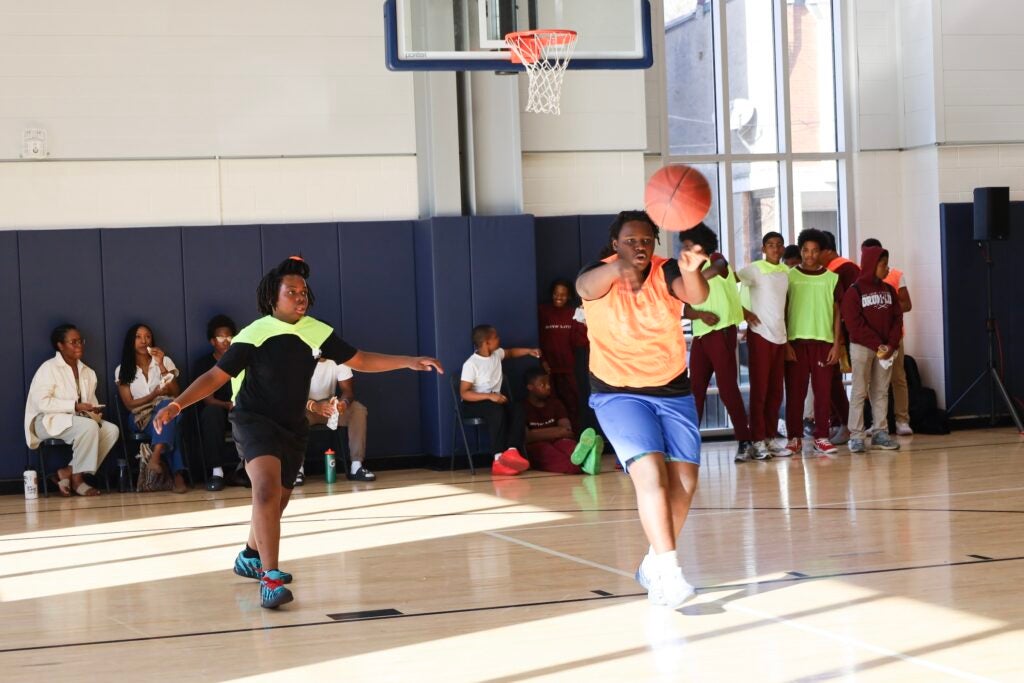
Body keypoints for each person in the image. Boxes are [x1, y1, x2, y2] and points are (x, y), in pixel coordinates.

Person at [153, 256, 442, 609]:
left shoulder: (316, 331)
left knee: (279, 500)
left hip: (292, 424)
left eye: (303, 291)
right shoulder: (254, 334)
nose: (300, 297)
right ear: (273, 298)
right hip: (253, 419)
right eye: (291, 291)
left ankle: (249, 556)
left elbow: (361, 359)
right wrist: (177, 404)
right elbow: (215, 377)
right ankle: (270, 578)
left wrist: (408, 361)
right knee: (265, 490)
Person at [576, 210, 710, 608]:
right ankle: (670, 573)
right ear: (615, 243)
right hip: (618, 392)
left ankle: (652, 563)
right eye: (630, 241)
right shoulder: (598, 272)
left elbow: (696, 296)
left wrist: (692, 270)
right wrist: (617, 268)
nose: (639, 246)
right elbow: (584, 287)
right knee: (651, 473)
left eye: (646, 241)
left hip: (671, 389)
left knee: (684, 483)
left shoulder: (666, 270)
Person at [680, 223, 756, 462]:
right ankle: (688, 446)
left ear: (700, 245)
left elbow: (718, 268)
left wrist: (693, 280)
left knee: (727, 389)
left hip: (722, 332)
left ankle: (745, 441)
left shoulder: (716, 259)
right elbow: (686, 310)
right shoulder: (690, 273)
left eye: (689, 246)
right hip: (702, 336)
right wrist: (700, 314)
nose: (686, 250)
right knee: (696, 391)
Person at [24, 324, 118, 497]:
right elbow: (41, 403)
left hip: (77, 421)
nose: (79, 345)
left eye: (80, 341)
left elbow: (90, 402)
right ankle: (78, 480)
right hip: (46, 421)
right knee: (88, 428)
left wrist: (94, 411)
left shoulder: (88, 372)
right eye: (73, 342)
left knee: (111, 430)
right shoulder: (49, 368)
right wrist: (74, 406)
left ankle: (68, 472)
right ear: (60, 345)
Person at [784, 229, 842, 455]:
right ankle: (794, 438)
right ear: (800, 251)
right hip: (796, 343)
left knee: (823, 393)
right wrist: (786, 343)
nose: (810, 255)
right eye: (806, 250)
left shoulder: (832, 278)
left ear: (821, 252)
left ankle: (822, 436)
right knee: (795, 394)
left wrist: (837, 345)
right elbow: (783, 310)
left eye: (815, 250)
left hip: (824, 344)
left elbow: (838, 314)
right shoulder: (790, 276)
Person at [842, 245, 903, 453]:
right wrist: (878, 344)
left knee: (881, 391)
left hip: (885, 349)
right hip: (863, 348)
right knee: (859, 391)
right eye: (883, 264)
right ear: (871, 264)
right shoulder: (854, 291)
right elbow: (854, 324)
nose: (887, 269)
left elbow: (897, 318)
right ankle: (857, 435)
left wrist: (891, 344)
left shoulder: (889, 291)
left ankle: (880, 432)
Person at [737, 232, 793, 459]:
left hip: (779, 337)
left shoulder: (786, 272)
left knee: (775, 392)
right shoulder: (754, 268)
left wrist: (787, 339)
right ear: (763, 248)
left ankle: (770, 438)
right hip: (760, 335)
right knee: (759, 391)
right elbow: (729, 283)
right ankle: (757, 440)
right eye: (771, 245)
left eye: (779, 245)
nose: (775, 249)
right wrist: (743, 312)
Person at [116, 323, 188, 494]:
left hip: (165, 411)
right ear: (131, 341)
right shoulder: (123, 369)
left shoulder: (165, 360)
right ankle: (178, 475)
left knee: (168, 409)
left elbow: (176, 392)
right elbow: (129, 404)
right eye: (138, 337)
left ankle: (156, 457)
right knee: (171, 415)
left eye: (147, 336)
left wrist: (161, 365)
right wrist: (153, 395)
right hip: (140, 416)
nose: (143, 341)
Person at [459, 324, 539, 473]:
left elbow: (511, 353)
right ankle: (498, 458)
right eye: (496, 337)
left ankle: (512, 451)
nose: (499, 339)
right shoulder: (471, 364)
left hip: (494, 400)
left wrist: (529, 351)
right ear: (486, 343)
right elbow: (464, 393)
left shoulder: (496, 354)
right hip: (473, 403)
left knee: (517, 408)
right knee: (496, 410)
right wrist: (490, 396)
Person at [863, 238, 914, 436]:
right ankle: (876, 422)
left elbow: (907, 305)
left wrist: (885, 309)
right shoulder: (862, 278)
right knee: (871, 381)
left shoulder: (895, 275)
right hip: (870, 338)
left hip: (893, 337)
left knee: (897, 377)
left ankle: (902, 419)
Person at [296, 357, 374, 485]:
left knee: (358, 410)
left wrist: (343, 403)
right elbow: (293, 394)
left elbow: (348, 392)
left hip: (329, 407)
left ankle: (356, 466)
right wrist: (314, 406)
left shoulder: (338, 358)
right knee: (292, 414)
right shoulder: (299, 358)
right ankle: (297, 470)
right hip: (306, 407)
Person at [193, 314, 244, 491]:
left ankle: (245, 470)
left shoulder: (242, 361)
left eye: (229, 336)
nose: (226, 341)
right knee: (210, 414)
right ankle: (217, 472)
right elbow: (207, 399)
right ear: (212, 341)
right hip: (218, 408)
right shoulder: (204, 363)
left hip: (241, 407)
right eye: (221, 337)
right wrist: (227, 405)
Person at [817, 230, 857, 445]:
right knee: (829, 382)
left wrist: (840, 337)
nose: (812, 256)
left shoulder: (844, 269)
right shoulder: (827, 271)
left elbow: (845, 307)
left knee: (837, 381)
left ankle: (850, 425)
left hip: (845, 335)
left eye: (817, 251)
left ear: (828, 251)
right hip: (832, 334)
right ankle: (840, 423)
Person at [522, 366, 601, 474]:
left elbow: (567, 431)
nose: (548, 386)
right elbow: (527, 437)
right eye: (542, 384)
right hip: (538, 446)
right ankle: (585, 464)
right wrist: (558, 431)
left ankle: (589, 457)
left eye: (548, 383)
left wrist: (538, 433)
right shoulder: (522, 408)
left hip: (559, 441)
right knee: (549, 452)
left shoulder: (555, 404)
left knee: (570, 446)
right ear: (530, 387)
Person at [537, 279, 588, 434]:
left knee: (572, 405)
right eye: (556, 294)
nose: (559, 297)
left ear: (569, 296)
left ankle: (574, 440)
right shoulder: (542, 311)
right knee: (549, 406)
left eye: (563, 295)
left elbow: (580, 341)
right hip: (547, 371)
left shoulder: (573, 313)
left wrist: (585, 322)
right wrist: (542, 361)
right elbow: (537, 337)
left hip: (567, 369)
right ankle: (554, 439)